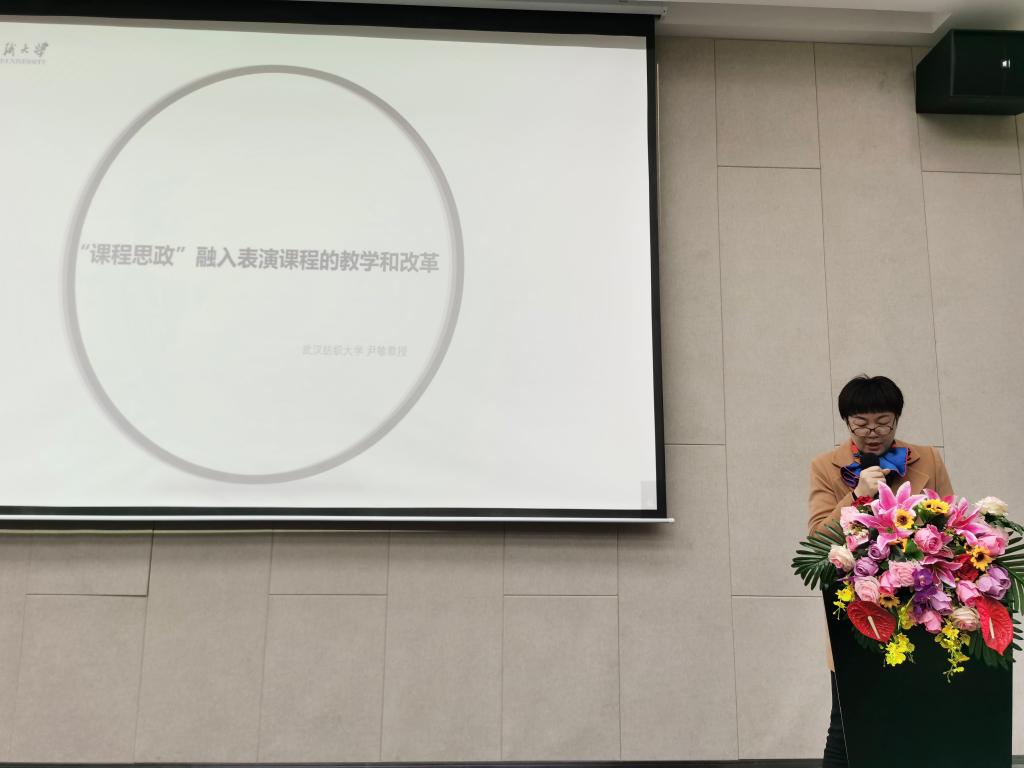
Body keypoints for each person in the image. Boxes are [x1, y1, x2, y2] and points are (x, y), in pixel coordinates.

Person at [807, 374, 953, 768]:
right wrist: (857, 495)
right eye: (861, 423)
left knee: (917, 718)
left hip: (922, 606)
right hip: (859, 607)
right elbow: (817, 540)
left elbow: (951, 525)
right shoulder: (824, 466)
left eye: (883, 422)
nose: (873, 432)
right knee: (847, 725)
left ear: (897, 419)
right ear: (847, 422)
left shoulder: (927, 458)